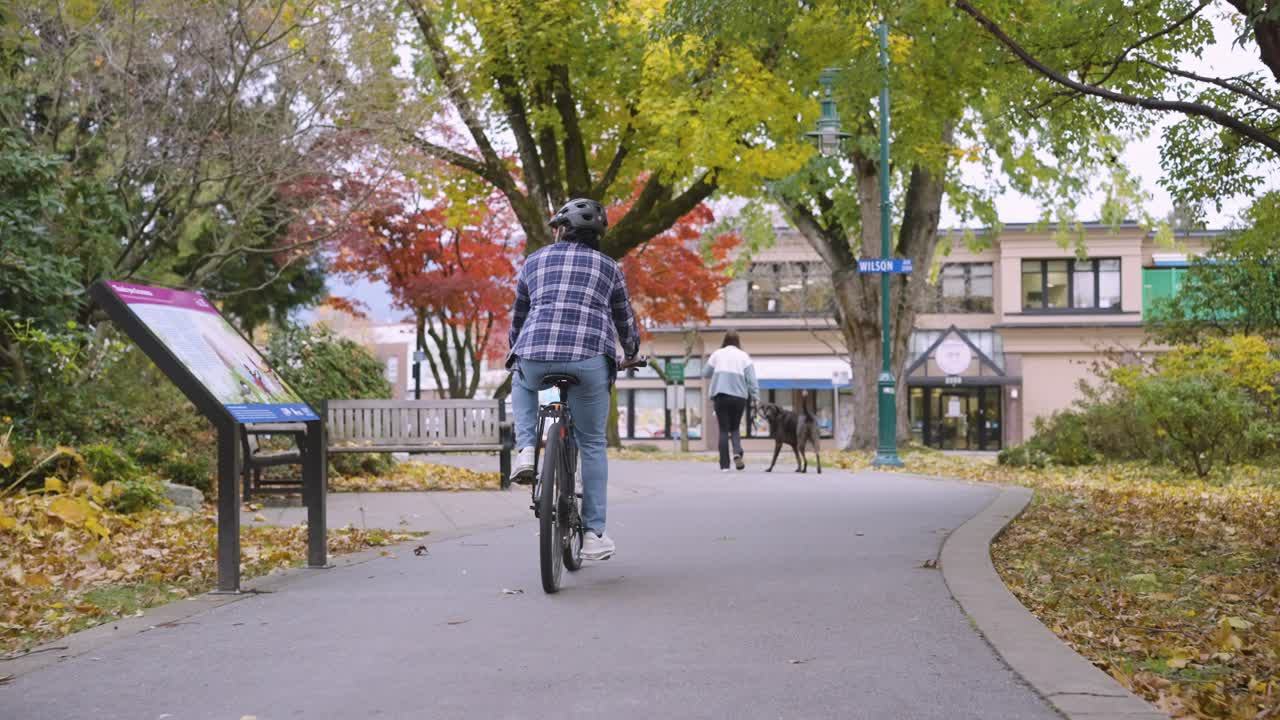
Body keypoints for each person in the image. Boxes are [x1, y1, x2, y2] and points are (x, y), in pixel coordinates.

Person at [507, 198, 641, 561]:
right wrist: (631, 351)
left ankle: (525, 451)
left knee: (521, 379)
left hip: (534, 353)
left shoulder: (533, 261)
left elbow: (518, 316)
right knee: (593, 443)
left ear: (561, 230)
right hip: (588, 358)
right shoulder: (609, 267)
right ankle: (595, 534)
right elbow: (624, 320)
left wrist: (516, 350)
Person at [702, 329, 759, 471]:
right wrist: (756, 397)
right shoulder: (744, 356)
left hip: (721, 396)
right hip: (739, 397)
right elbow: (752, 380)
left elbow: (705, 373)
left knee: (723, 430)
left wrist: (717, 371)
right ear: (738, 341)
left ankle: (724, 466)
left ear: (725, 340)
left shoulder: (717, 354)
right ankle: (737, 452)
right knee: (734, 428)